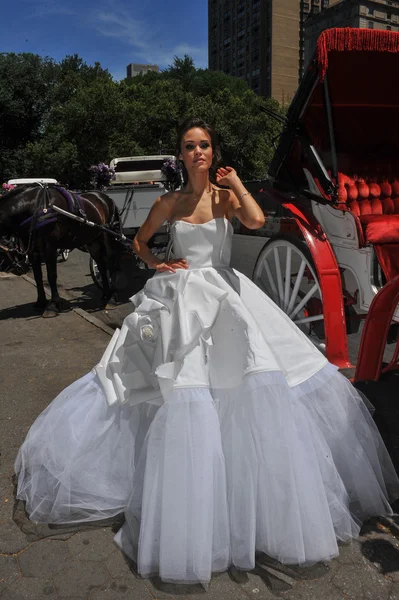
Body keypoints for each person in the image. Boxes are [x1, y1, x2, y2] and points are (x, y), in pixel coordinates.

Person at [15, 116, 398, 586]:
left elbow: (256, 220)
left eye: (204, 145)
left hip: (227, 296)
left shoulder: (225, 198)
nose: (198, 152)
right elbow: (139, 241)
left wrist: (236, 182)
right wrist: (158, 262)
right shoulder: (169, 201)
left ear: (213, 152)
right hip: (179, 297)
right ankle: (181, 494)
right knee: (174, 384)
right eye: (189, 146)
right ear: (181, 154)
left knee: (255, 376)